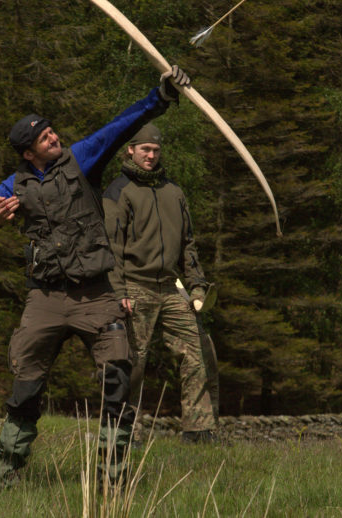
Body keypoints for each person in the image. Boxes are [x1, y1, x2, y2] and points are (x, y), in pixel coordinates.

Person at [0, 66, 189, 490]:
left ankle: (112, 481)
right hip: (45, 299)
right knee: (25, 389)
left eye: (52, 132)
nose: (54, 138)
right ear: (28, 153)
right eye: (44, 138)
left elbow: (118, 128)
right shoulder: (13, 185)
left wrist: (159, 96)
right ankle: (3, 479)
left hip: (98, 297)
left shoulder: (82, 156)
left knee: (118, 382)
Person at [102, 119, 219, 444]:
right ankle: (127, 433)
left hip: (171, 288)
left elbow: (188, 245)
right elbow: (111, 248)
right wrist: (119, 291)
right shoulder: (117, 192)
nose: (151, 155)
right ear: (130, 150)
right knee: (132, 361)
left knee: (200, 350)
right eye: (145, 150)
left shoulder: (174, 192)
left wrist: (197, 285)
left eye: (155, 150)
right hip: (134, 288)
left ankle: (200, 430)